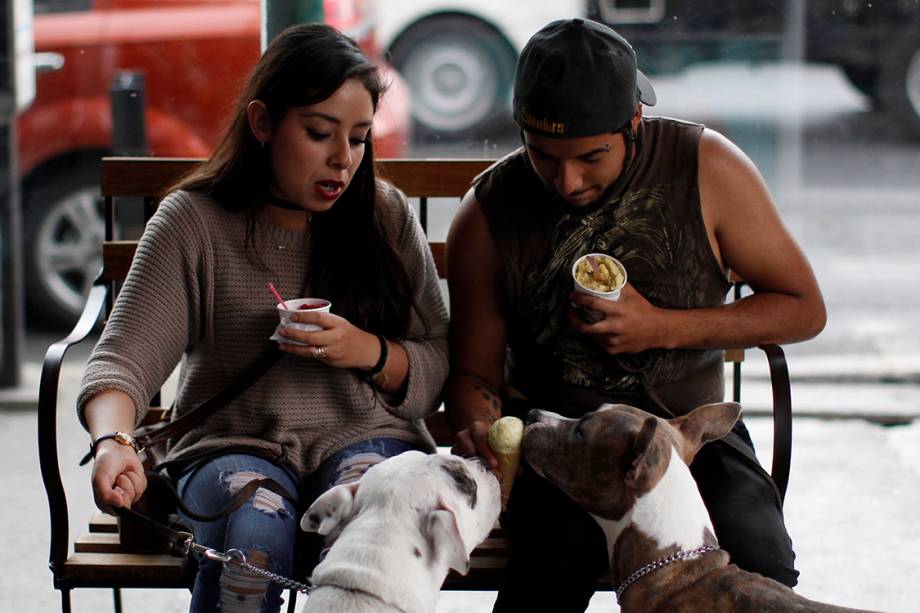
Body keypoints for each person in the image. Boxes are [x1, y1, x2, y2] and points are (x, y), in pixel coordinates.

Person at [445, 18, 826, 613]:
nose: (566, 180)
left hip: (686, 432)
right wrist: (478, 425)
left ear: (635, 122)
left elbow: (804, 309)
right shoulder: (489, 212)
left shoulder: (706, 168)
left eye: (590, 157)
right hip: (565, 440)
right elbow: (474, 377)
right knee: (550, 572)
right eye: (542, 156)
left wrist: (662, 327)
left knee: (761, 561)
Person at [78, 24, 449, 613]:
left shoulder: (384, 217)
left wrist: (367, 351)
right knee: (253, 536)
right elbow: (122, 361)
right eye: (319, 133)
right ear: (261, 123)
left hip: (364, 436)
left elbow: (437, 356)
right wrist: (113, 442)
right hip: (233, 443)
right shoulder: (194, 222)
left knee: (370, 527)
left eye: (358, 139)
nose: (343, 160)